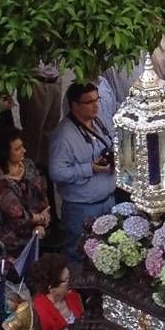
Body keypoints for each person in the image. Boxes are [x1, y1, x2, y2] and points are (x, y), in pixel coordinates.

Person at [48, 83, 115, 261]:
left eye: (97, 99)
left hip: (108, 200)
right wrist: (89, 168)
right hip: (82, 208)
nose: (96, 105)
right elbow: (56, 172)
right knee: (78, 254)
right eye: (89, 102)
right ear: (74, 105)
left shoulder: (99, 121)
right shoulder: (63, 135)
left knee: (108, 253)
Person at [0, 128, 50, 257]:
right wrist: (40, 218)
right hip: (10, 242)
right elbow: (17, 213)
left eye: (22, 146)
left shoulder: (28, 165)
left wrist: (41, 224)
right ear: (5, 153)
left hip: (34, 232)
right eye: (17, 149)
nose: (24, 151)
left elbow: (41, 197)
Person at [30, 254, 83, 330]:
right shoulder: (40, 310)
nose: (70, 283)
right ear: (51, 287)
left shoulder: (73, 296)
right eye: (66, 280)